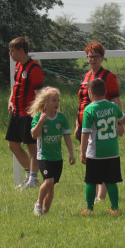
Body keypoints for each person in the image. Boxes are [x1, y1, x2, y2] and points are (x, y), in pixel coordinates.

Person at [74, 41, 123, 202]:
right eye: (89, 56)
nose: (92, 60)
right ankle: (96, 195)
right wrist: (77, 124)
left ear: (102, 57)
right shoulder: (86, 76)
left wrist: (119, 123)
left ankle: (100, 197)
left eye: (95, 56)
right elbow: (81, 101)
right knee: (91, 159)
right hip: (85, 124)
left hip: (100, 128)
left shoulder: (108, 77)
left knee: (100, 159)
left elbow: (116, 100)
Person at [79, 79, 125, 215]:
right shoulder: (113, 106)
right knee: (111, 181)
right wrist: (118, 120)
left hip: (95, 153)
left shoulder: (89, 109)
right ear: (105, 92)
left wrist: (82, 152)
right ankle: (115, 208)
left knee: (91, 181)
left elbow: (85, 132)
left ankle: (89, 208)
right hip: (112, 152)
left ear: (90, 92)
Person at [29, 87, 75, 216]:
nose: (57, 103)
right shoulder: (38, 117)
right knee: (48, 181)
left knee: (51, 186)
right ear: (45, 102)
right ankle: (38, 203)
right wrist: (41, 122)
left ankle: (46, 213)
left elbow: (67, 137)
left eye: (58, 100)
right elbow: (34, 135)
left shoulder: (62, 118)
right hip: (44, 156)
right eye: (53, 100)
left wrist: (71, 153)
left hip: (57, 158)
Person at [6, 37, 44, 189]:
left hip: (29, 115)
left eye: (12, 51)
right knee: (13, 145)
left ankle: (33, 180)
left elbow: (40, 95)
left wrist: (39, 116)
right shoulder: (18, 66)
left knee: (32, 148)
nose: (10, 54)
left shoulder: (34, 69)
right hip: (17, 114)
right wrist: (10, 101)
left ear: (22, 50)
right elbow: (16, 86)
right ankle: (30, 176)